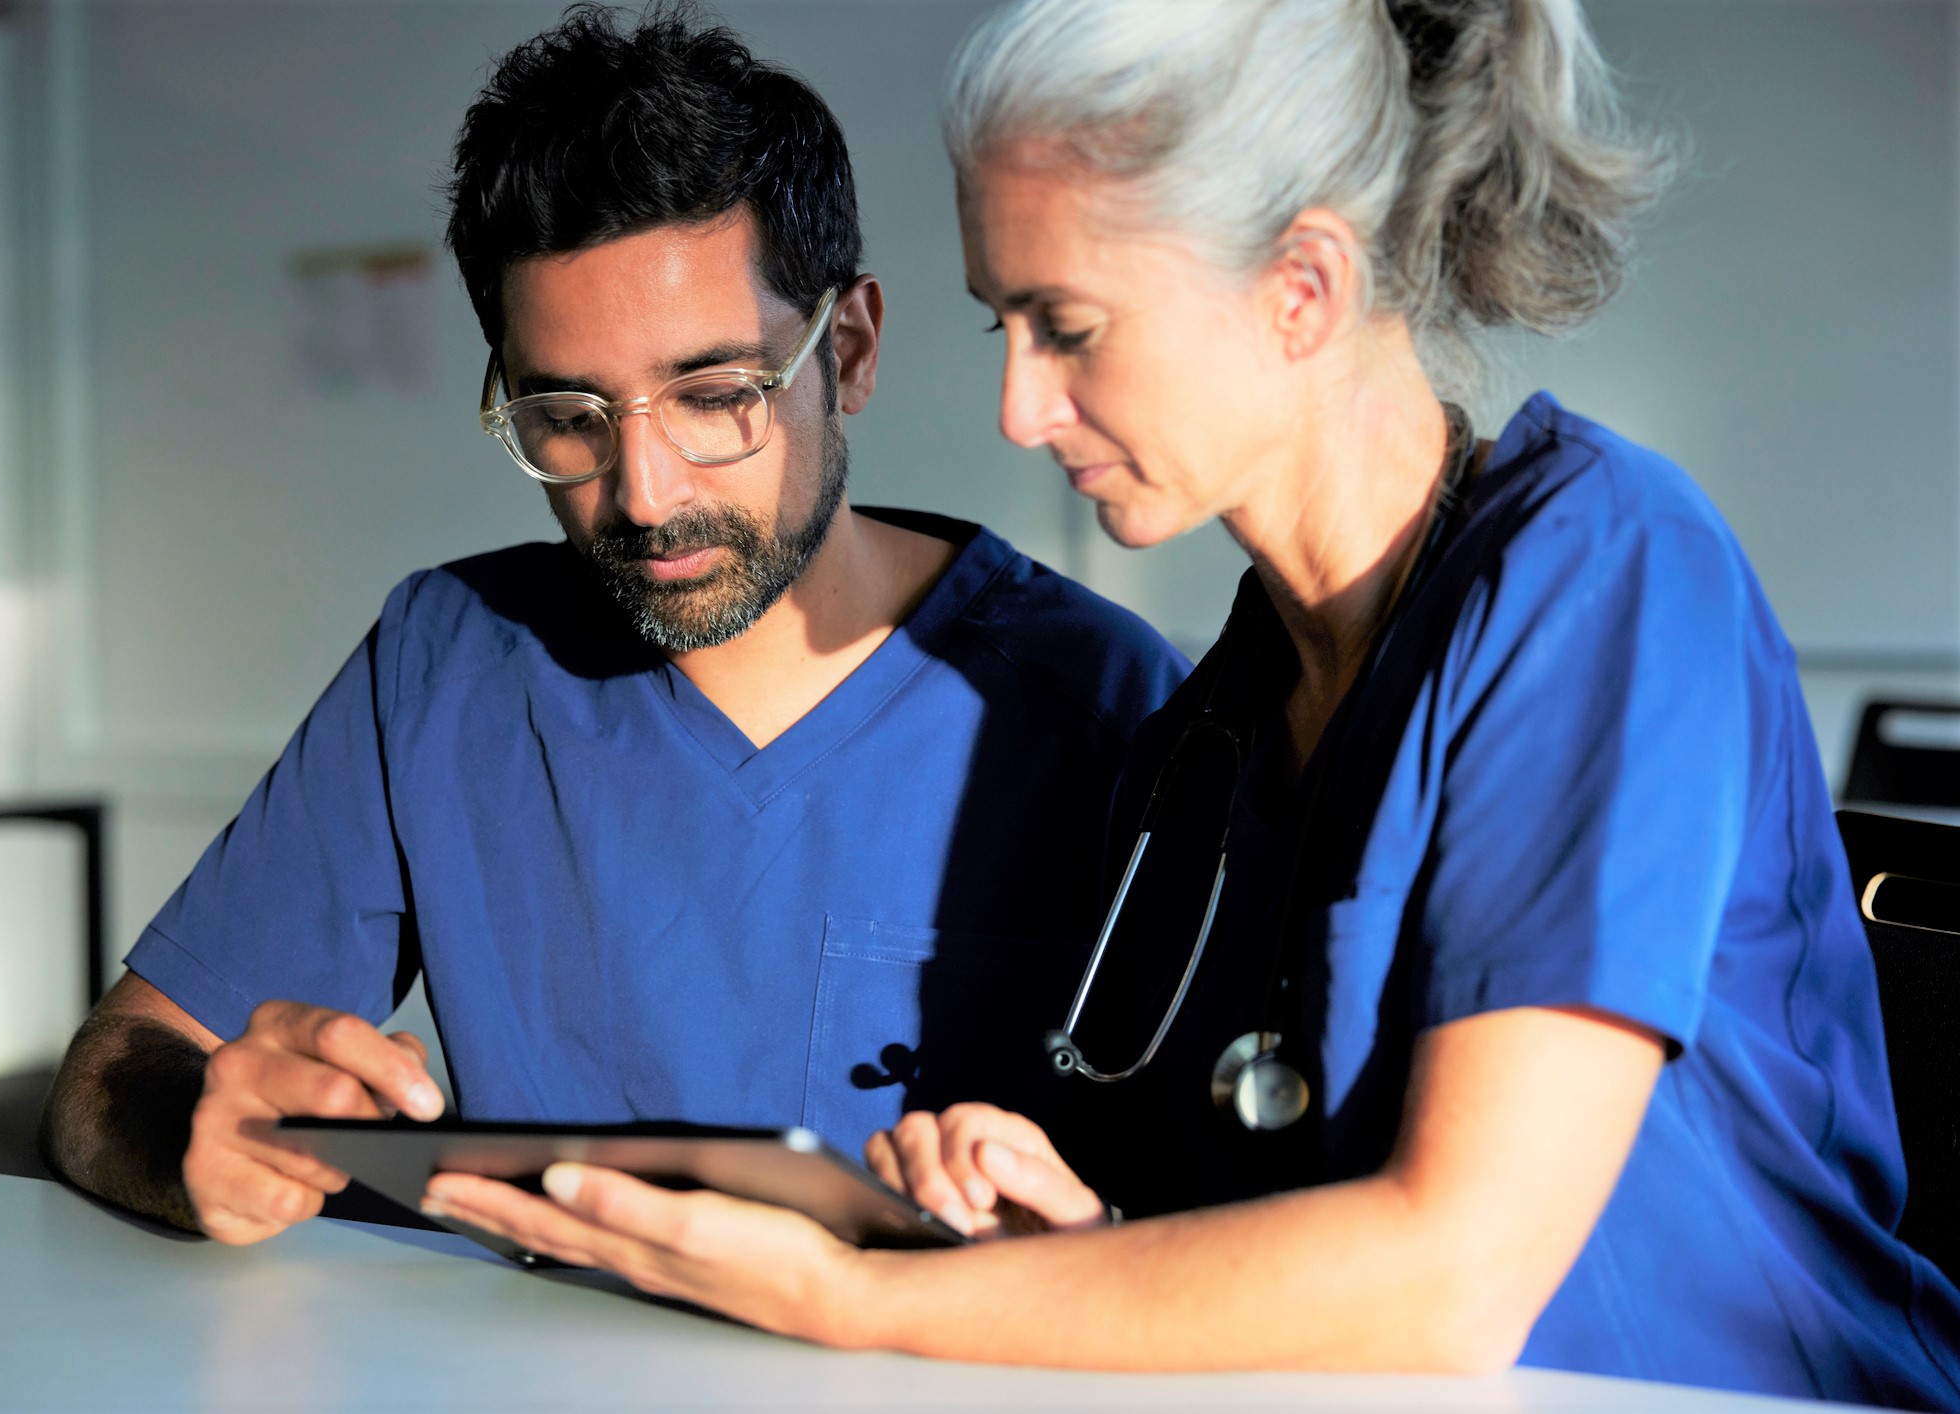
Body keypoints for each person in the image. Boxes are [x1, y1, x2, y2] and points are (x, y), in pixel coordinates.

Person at [412, 0, 1960, 1406]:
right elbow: (1273, 1223)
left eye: (1067, 327)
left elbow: (1453, 1277)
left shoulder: (1606, 572)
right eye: (999, 324)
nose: (1019, 407)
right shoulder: (1206, 732)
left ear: (1302, 287)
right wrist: (1075, 1235)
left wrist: (851, 1294)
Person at [40, 4, 1184, 1247]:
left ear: (846, 348)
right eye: (568, 415)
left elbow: (1221, 1219)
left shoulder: (1111, 709)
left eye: (712, 395)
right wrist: (200, 1130)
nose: (643, 494)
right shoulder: (449, 664)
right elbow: (113, 1071)